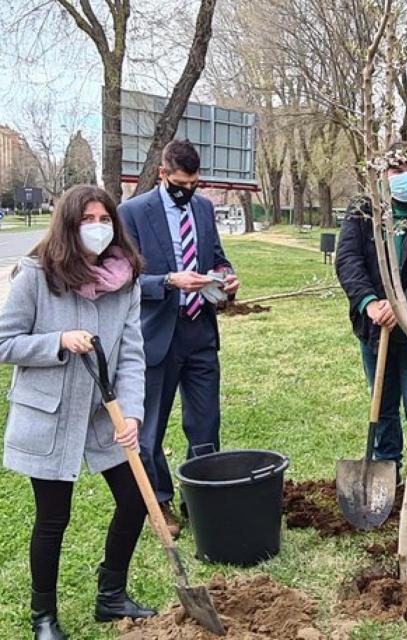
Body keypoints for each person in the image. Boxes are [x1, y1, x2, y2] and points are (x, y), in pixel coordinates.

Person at [0, 185, 156, 639]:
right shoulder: (35, 275)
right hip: (48, 414)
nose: (97, 227)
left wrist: (131, 415)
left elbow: (131, 354)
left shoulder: (125, 280)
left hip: (101, 413)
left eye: (104, 218)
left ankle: (111, 596)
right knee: (53, 519)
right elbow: (5, 343)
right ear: (69, 224)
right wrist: (57, 342)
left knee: (134, 501)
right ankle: (43, 618)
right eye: (86, 219)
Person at [118, 139, 239, 537]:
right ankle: (161, 501)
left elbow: (217, 256)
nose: (187, 191)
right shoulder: (133, 213)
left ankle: (201, 496)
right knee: (150, 428)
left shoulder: (203, 208)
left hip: (200, 331)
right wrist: (169, 281)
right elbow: (124, 278)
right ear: (162, 174)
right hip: (156, 335)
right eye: (180, 183)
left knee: (205, 422)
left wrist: (226, 276)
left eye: (194, 184)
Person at [335, 141, 407, 525]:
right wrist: (369, 301)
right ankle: (388, 477)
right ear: (383, 175)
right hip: (374, 328)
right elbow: (347, 259)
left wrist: (398, 307)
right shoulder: (364, 212)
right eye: (396, 171)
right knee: (382, 409)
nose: (404, 177)